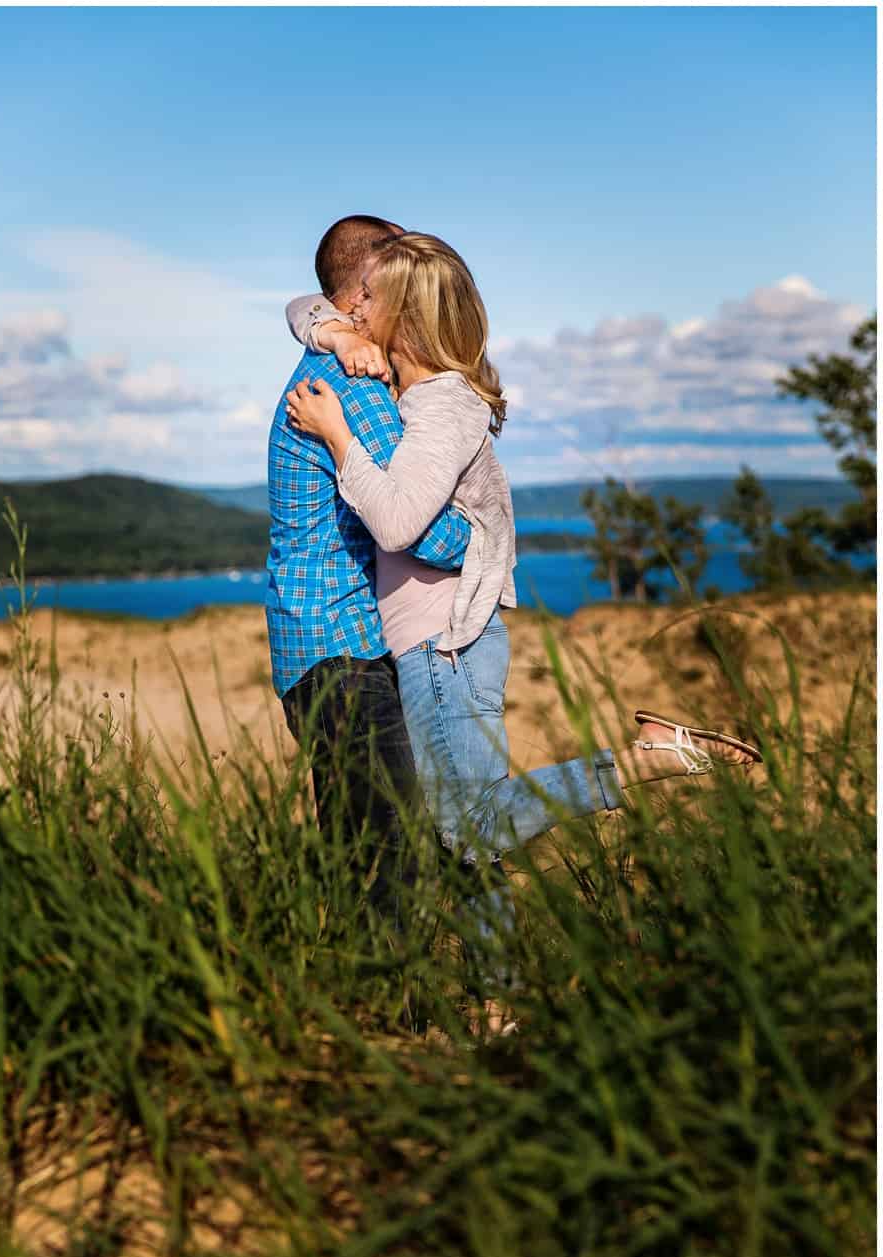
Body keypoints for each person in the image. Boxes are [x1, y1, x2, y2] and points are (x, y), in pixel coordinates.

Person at [284, 232, 762, 1010]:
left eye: (369, 302)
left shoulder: (442, 404)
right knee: (466, 838)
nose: (353, 308)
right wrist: (333, 328)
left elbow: (401, 523)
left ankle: (649, 761)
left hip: (440, 644)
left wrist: (338, 437)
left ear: (404, 317)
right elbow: (306, 304)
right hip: (439, 642)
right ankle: (500, 1004)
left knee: (468, 827)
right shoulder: (422, 386)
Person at [265, 216, 475, 940]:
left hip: (319, 647)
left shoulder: (330, 356)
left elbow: (305, 307)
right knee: (395, 863)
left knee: (361, 857)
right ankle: (397, 1031)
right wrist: (490, 531)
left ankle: (361, 1015)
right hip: (344, 652)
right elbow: (423, 530)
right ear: (365, 293)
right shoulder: (354, 386)